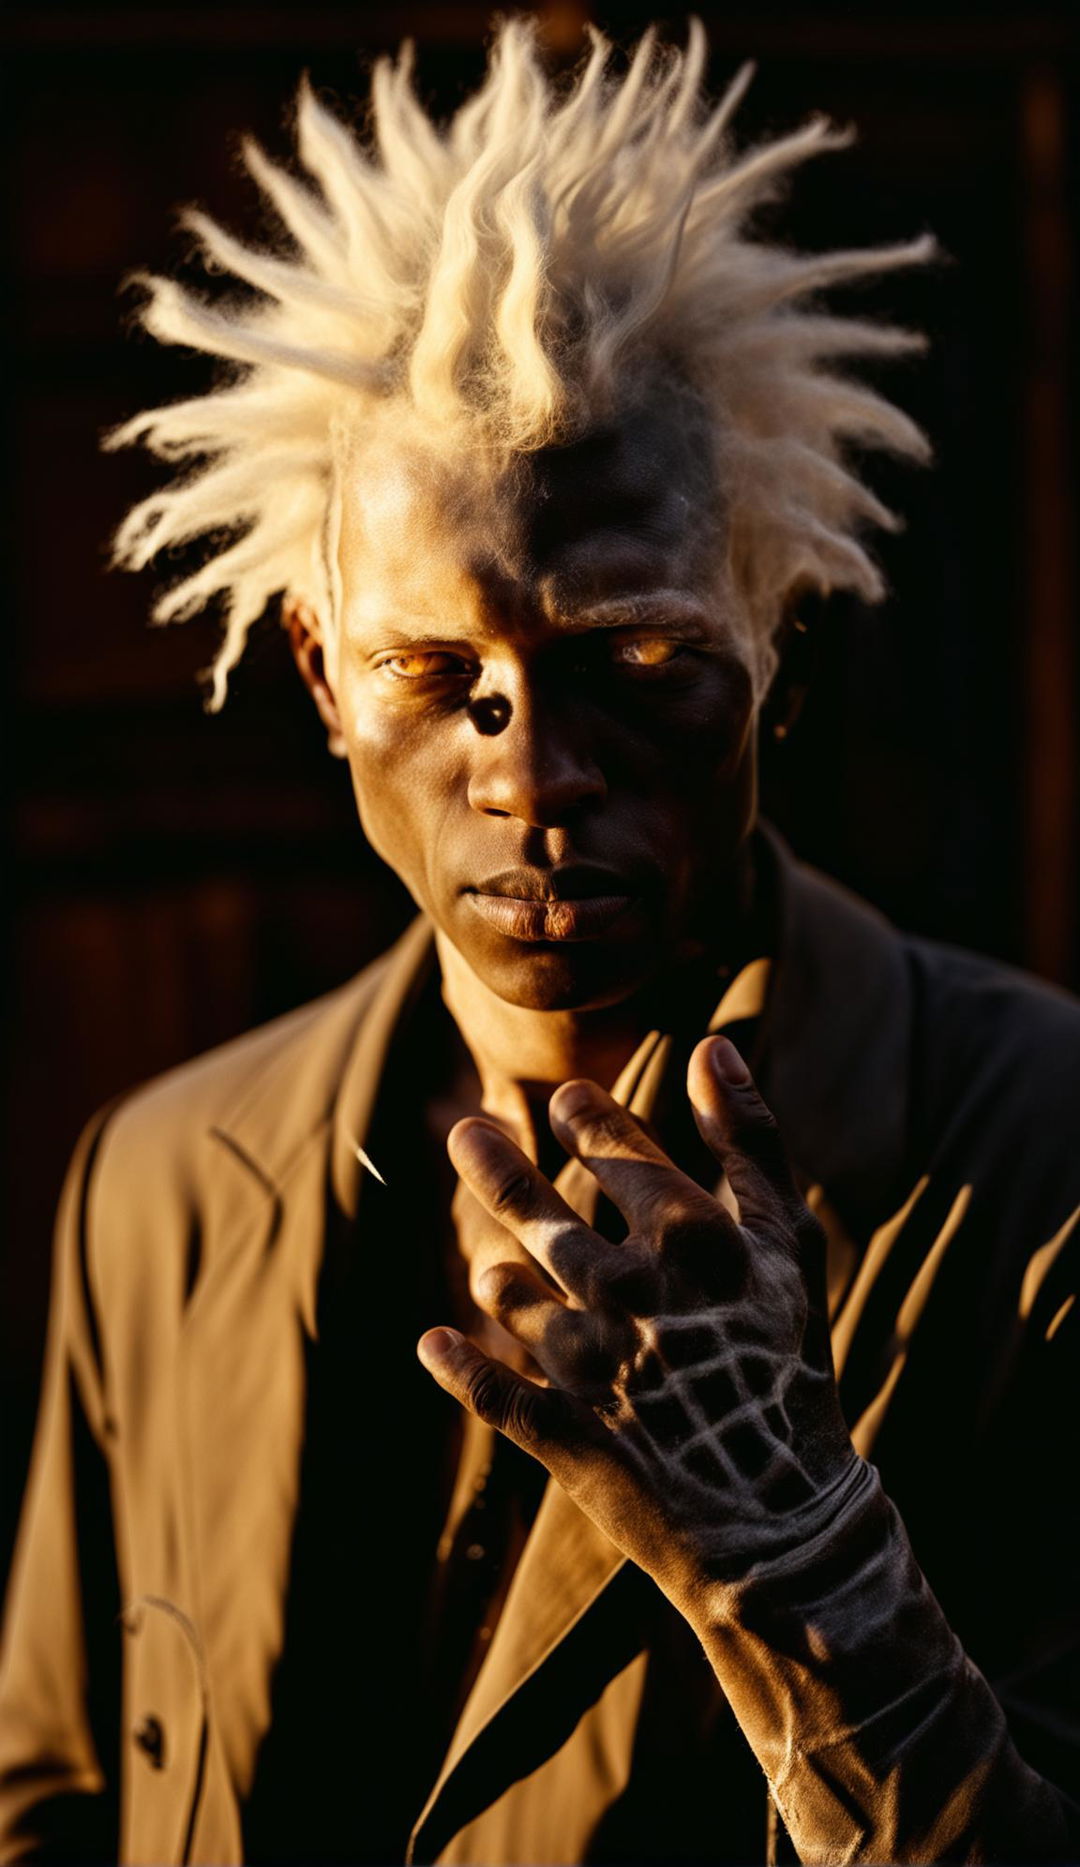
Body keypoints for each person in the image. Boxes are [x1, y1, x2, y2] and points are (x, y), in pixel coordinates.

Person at [0, 18, 1077, 1866]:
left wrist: (812, 1572)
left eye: (635, 663)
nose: (536, 770)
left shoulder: (1042, 1164)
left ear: (781, 653)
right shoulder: (165, 1186)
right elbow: (60, 1795)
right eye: (437, 678)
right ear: (323, 674)